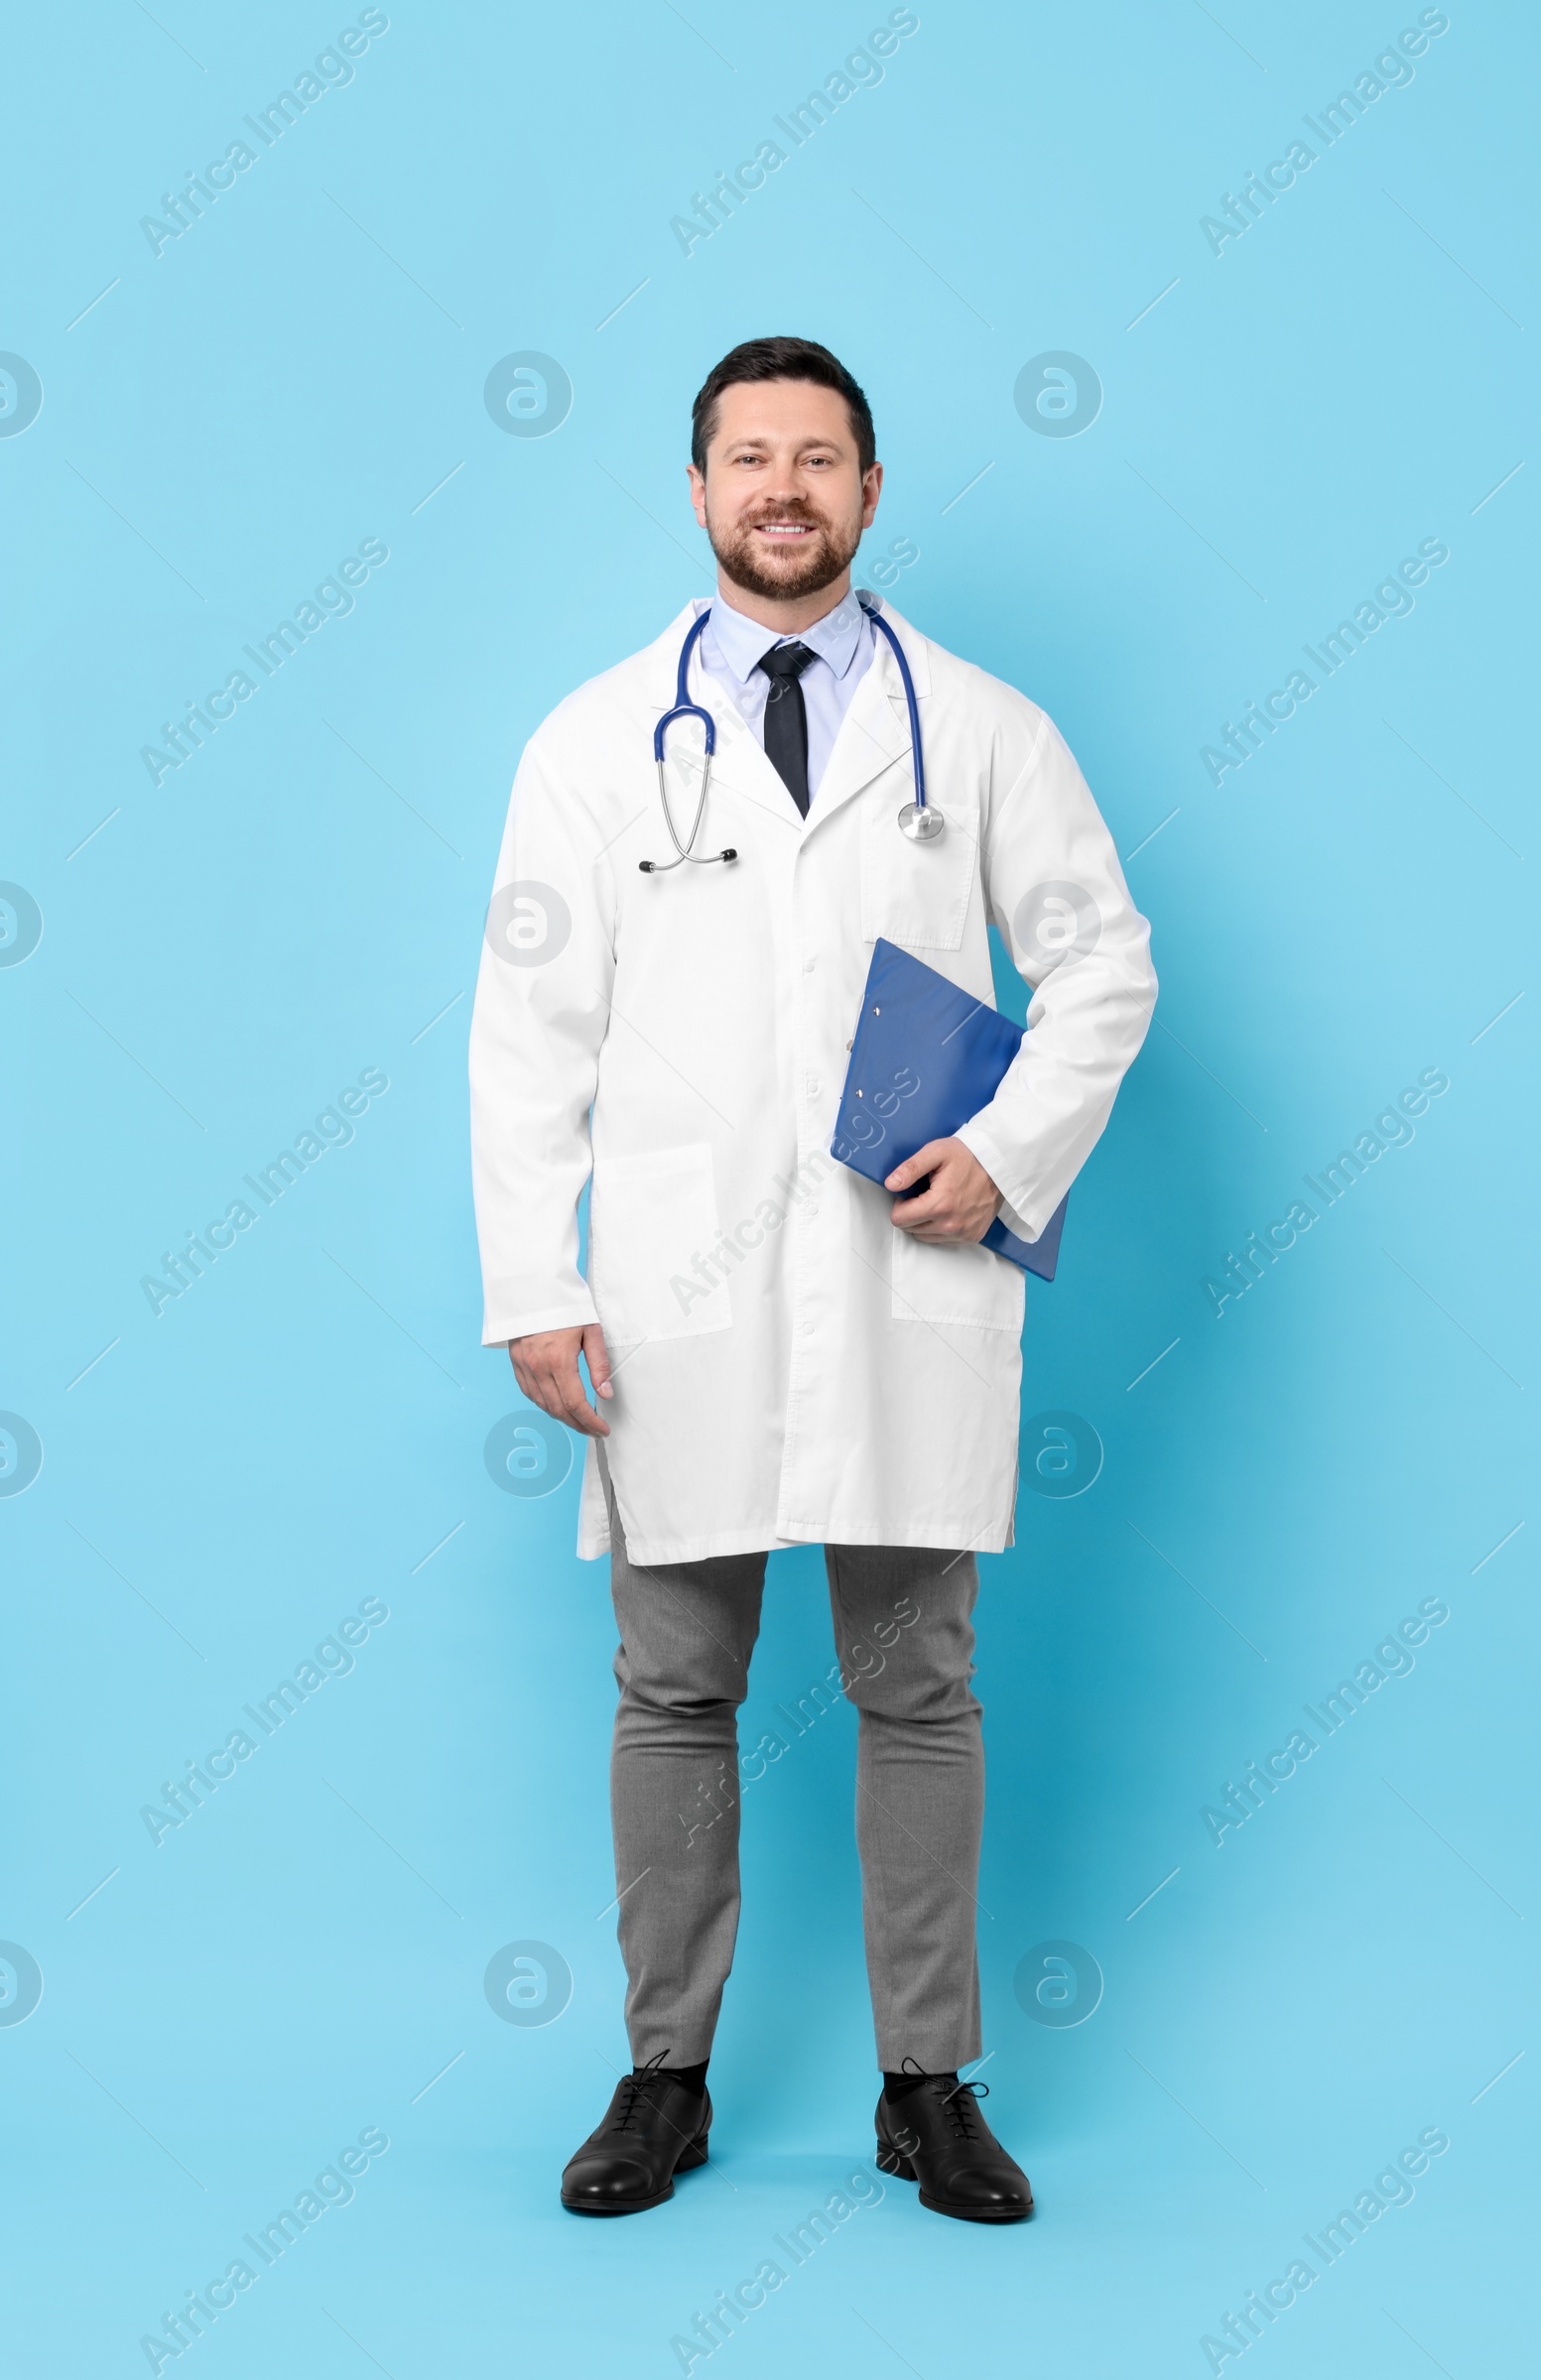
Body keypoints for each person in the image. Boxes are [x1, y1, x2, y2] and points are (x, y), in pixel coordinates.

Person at [468, 335, 1156, 2222]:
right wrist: (535, 1278)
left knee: (914, 1683)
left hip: (900, 1279)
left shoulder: (986, 728)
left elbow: (1103, 965)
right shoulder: (597, 739)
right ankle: (664, 2078)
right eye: (747, 457)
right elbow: (527, 1033)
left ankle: (928, 2085)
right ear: (696, 492)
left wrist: (1008, 1151)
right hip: (674, 1294)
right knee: (673, 1687)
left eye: (820, 458)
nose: (783, 487)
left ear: (871, 491)